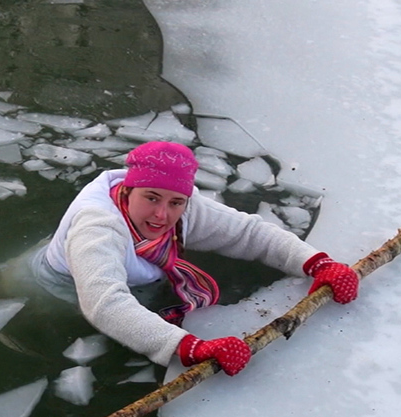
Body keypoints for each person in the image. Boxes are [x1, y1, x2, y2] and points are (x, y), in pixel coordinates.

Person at [30, 141, 358, 376]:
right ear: (128, 191)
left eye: (175, 202)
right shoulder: (98, 226)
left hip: (140, 279)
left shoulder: (185, 207)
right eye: (151, 198)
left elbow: (248, 233)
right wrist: (187, 347)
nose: (162, 214)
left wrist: (316, 263)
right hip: (58, 288)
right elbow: (105, 305)